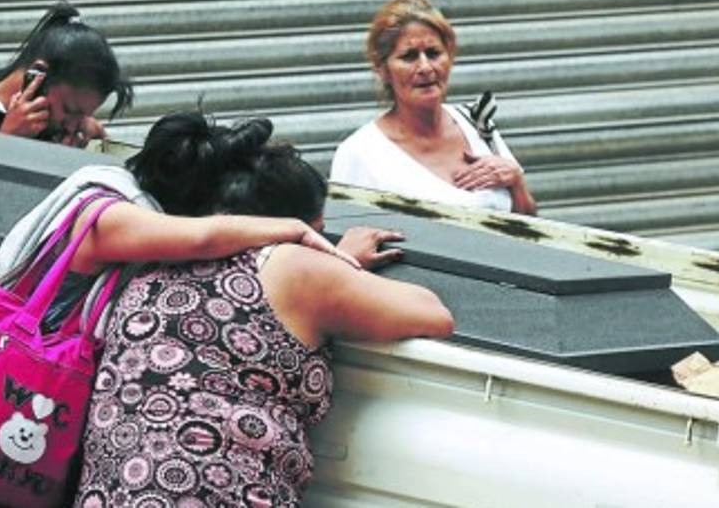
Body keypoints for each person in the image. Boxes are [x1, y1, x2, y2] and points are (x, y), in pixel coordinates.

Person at [68, 113, 453, 506]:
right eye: (318, 232)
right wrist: (336, 264)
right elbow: (432, 313)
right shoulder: (292, 265)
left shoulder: (153, 262)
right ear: (295, 228)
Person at [330, 0, 537, 215]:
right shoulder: (360, 153)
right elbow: (344, 233)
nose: (425, 67)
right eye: (409, 56)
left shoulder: (476, 123)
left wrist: (516, 181)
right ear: (382, 69)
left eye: (433, 53)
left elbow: (531, 224)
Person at [0, 1, 132, 147]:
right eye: (69, 110)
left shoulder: (63, 131)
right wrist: (7, 142)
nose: (72, 127)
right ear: (38, 76)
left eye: (83, 116)